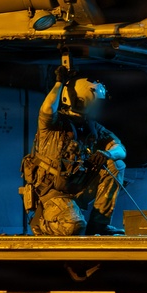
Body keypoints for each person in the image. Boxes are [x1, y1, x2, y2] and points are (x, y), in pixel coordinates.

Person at [21, 66, 127, 236]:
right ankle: (42, 224)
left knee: (117, 165)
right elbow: (47, 109)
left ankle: (99, 226)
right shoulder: (53, 125)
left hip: (76, 191)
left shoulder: (92, 127)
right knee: (75, 227)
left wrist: (106, 154)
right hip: (53, 195)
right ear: (81, 100)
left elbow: (120, 149)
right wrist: (58, 83)